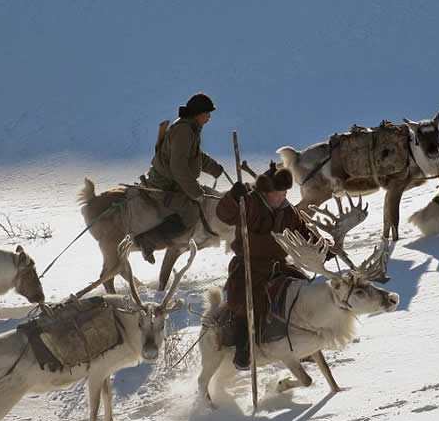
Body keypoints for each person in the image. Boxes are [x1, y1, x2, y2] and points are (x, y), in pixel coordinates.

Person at [216, 163, 316, 370]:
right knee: (248, 302)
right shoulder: (249, 202)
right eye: (276, 194)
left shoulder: (287, 210)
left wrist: (324, 248)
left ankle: (302, 342)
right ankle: (244, 348)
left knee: (305, 288)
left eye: (284, 193)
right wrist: (233, 198)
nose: (280, 197)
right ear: (266, 192)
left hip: (277, 265)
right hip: (248, 265)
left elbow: (303, 231)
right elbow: (224, 214)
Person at [134, 93, 226, 262]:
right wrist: (195, 192)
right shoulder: (183, 131)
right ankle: (148, 240)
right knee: (190, 212)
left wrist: (215, 168)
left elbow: (196, 156)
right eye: (207, 113)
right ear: (198, 113)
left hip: (176, 183)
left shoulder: (191, 129)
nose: (209, 117)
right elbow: (179, 167)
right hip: (165, 185)